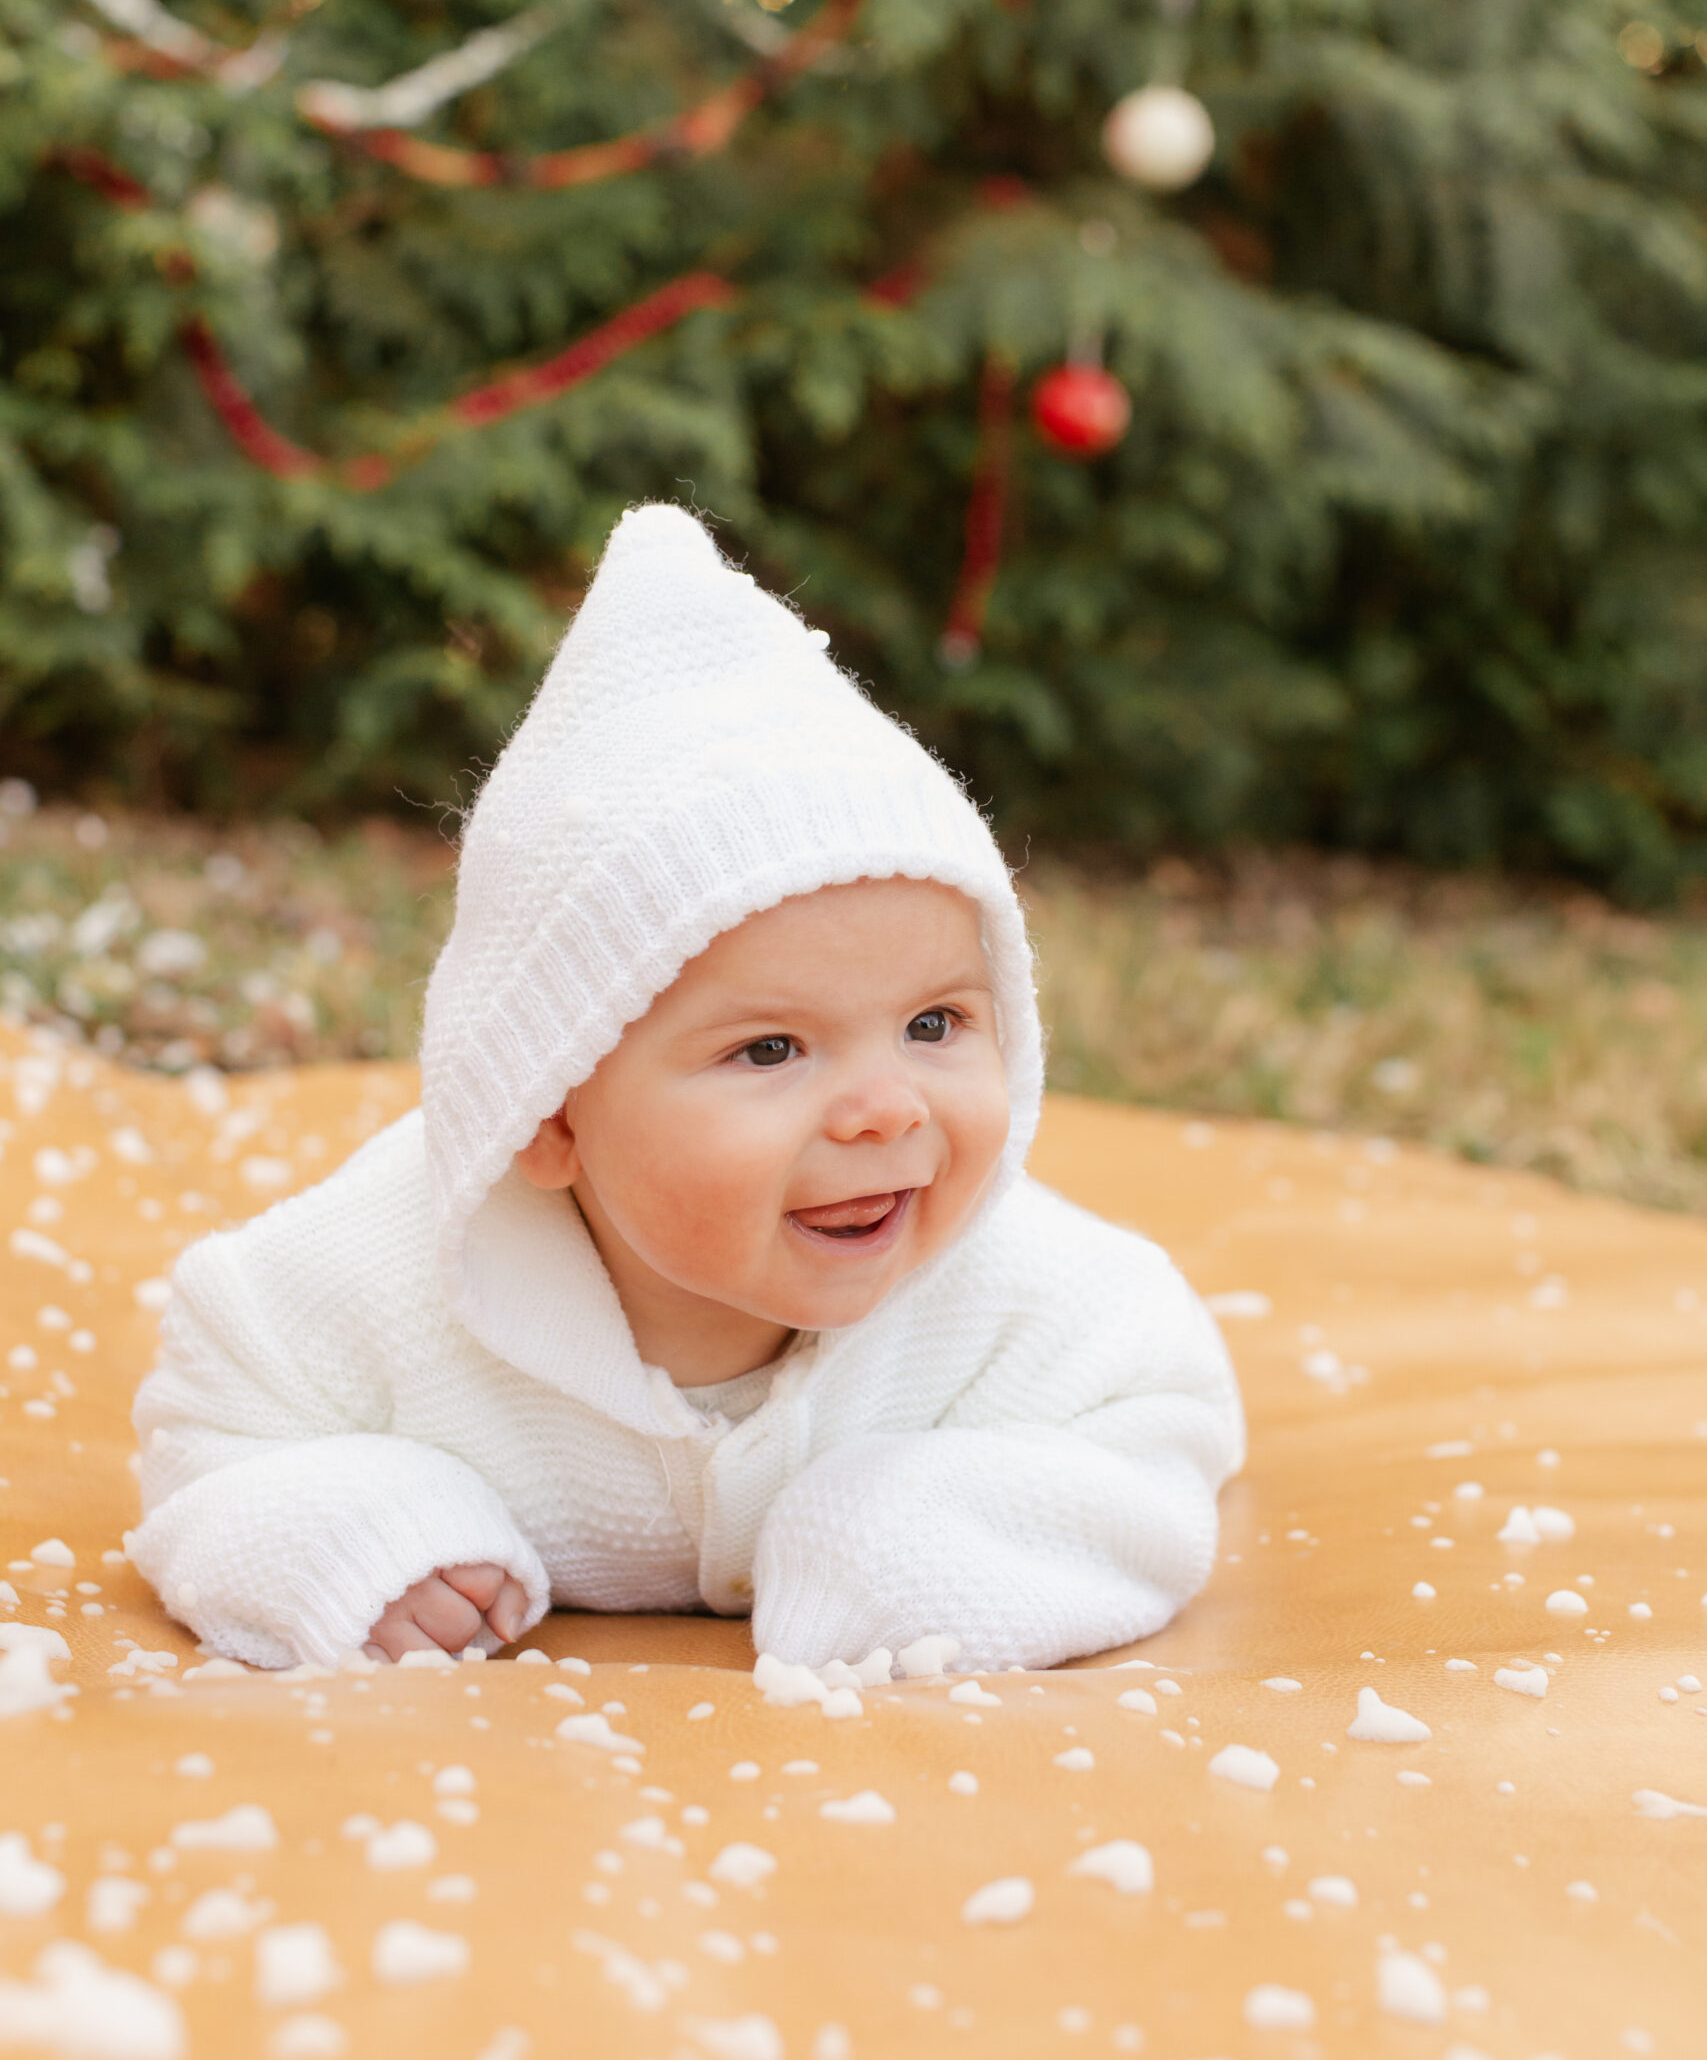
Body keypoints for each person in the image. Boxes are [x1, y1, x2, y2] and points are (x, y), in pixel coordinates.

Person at [129, 505, 1243, 1672]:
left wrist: (928, 1537)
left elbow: (1163, 1425)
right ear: (549, 1113)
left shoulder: (1028, 1293)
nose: (888, 1107)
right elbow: (216, 1430)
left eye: (933, 1024)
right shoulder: (367, 1286)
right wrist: (359, 1533)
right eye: (771, 1049)